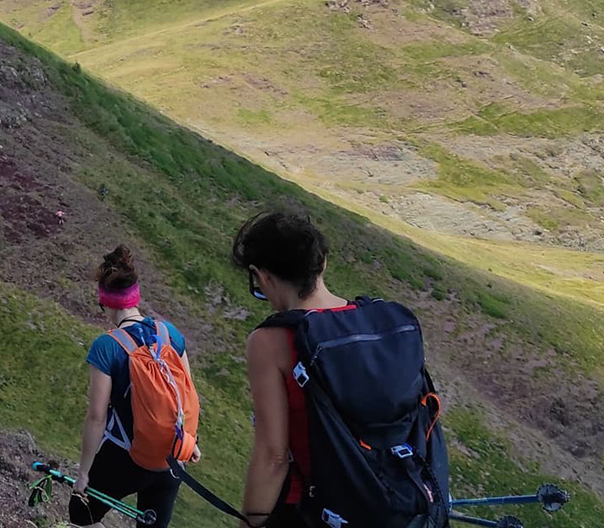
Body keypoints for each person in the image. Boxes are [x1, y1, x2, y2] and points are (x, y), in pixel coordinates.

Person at [233, 211, 448, 528]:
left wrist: (250, 523)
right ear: (322, 263)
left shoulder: (270, 342)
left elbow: (273, 457)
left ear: (263, 276)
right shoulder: (383, 322)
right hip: (402, 504)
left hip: (315, 511)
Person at [71, 245, 201, 528]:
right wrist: (191, 442)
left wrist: (83, 474)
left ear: (105, 303)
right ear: (136, 297)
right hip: (173, 458)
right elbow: (188, 393)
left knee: (80, 513)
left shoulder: (107, 346)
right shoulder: (170, 334)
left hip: (125, 457)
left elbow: (96, 417)